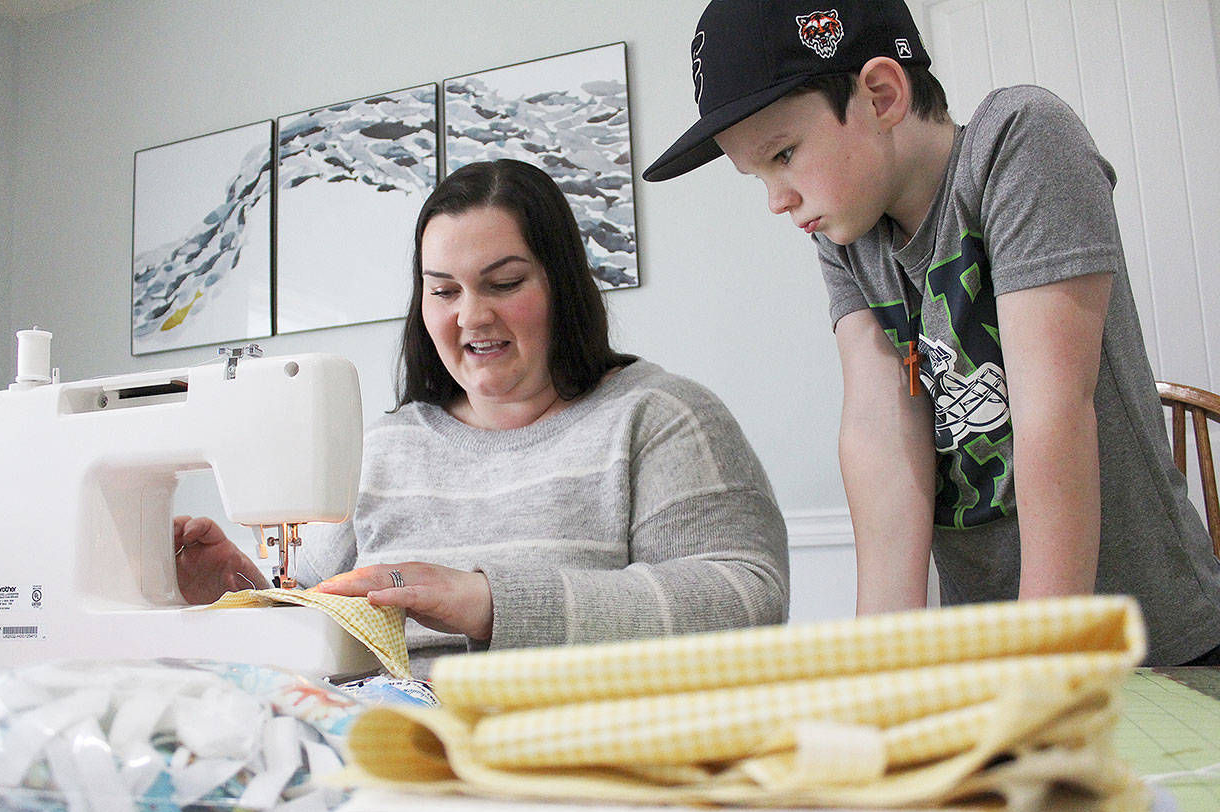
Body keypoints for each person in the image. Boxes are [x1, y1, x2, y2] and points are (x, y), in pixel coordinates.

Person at [641, 0, 1220, 665]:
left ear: (882, 94)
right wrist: (880, 671)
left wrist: (1043, 668)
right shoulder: (849, 236)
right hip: (985, 654)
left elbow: (1053, 414)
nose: (777, 199)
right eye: (758, 176)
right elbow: (880, 437)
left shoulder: (1020, 139)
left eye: (784, 154)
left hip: (1147, 646)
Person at [177, 159, 789, 675]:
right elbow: (310, 614)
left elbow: (744, 598)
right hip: (381, 753)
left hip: (572, 764)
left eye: (503, 283)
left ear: (563, 286)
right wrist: (230, 587)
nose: (471, 316)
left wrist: (487, 601)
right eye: (444, 291)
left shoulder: (660, 418)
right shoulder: (382, 448)